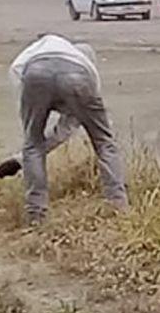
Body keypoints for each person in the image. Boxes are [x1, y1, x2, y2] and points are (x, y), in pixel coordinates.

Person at [9, 33, 127, 224]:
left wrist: (21, 158)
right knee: (104, 143)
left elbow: (33, 136)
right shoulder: (87, 69)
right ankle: (118, 208)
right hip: (77, 77)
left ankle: (36, 217)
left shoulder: (26, 57)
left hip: (34, 73)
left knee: (32, 145)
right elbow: (65, 130)